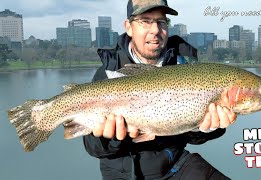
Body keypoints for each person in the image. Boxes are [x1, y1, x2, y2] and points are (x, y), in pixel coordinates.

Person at [83, 0, 237, 179]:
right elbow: (92, 147)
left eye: (161, 22)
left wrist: (207, 127)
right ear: (129, 27)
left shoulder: (184, 67)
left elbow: (192, 136)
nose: (155, 30)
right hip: (122, 175)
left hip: (176, 166)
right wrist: (113, 138)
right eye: (145, 21)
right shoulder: (108, 73)